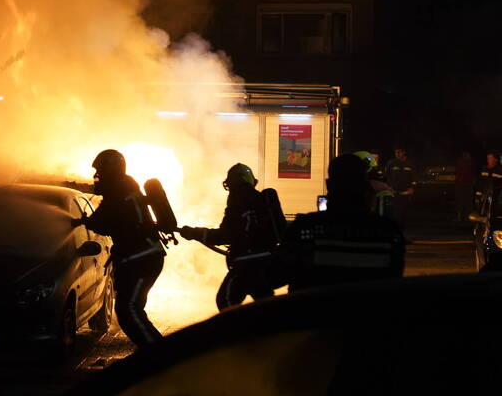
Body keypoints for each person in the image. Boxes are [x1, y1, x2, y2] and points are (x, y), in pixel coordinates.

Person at [73, 149, 164, 348]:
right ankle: (157, 353)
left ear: (111, 171)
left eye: (101, 171)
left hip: (142, 261)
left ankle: (161, 356)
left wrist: (82, 221)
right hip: (144, 259)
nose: (97, 176)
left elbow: (100, 223)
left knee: (129, 310)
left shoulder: (119, 193)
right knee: (131, 310)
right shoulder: (124, 188)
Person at [279, 154, 406, 292]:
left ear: (329, 185)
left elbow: (277, 274)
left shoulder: (305, 227)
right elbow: (394, 279)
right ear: (365, 187)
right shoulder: (389, 232)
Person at [178, 163, 286, 310]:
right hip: (266, 262)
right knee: (265, 302)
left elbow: (223, 236)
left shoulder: (238, 200)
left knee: (226, 301)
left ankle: (238, 325)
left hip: (246, 265)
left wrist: (193, 233)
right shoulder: (261, 200)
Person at [385, 147, 415, 228]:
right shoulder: (391, 163)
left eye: (399, 152)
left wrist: (412, 187)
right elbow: (387, 176)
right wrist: (389, 186)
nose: (397, 154)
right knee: (394, 211)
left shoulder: (409, 163)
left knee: (404, 211)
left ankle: (402, 227)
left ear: (403, 152)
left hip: (406, 192)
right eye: (396, 152)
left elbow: (414, 177)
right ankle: (395, 227)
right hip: (394, 191)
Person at [455, 150, 475, 221]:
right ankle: (459, 216)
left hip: (467, 184)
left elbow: (472, 172)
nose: (468, 155)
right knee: (461, 200)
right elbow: (458, 172)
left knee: (467, 201)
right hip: (462, 184)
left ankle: (466, 216)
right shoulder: (462, 161)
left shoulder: (470, 162)